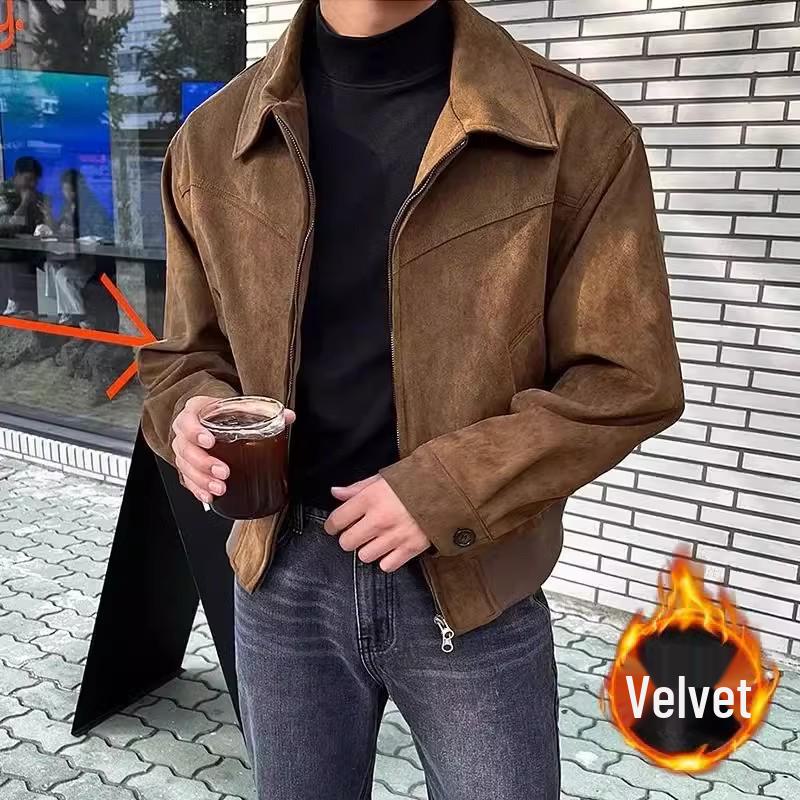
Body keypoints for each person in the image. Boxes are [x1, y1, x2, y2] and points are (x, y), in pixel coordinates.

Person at [137, 1, 685, 798]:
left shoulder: (571, 131)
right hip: (281, 574)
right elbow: (185, 355)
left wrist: (449, 487)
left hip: (471, 581)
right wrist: (188, 413)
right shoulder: (214, 139)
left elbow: (628, 378)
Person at [43, 168, 112, 327]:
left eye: (71, 190)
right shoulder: (67, 207)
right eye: (65, 190)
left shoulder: (91, 206)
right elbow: (59, 229)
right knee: (50, 266)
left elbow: (99, 232)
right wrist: (49, 217)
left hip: (90, 258)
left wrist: (74, 232)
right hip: (70, 255)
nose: (68, 194)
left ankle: (80, 317)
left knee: (63, 276)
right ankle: (64, 313)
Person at [0, 156, 47, 318]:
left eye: (35, 181)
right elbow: (7, 226)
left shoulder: (37, 196)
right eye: (28, 179)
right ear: (17, 175)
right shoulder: (5, 193)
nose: (32, 184)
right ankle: (12, 302)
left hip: (33, 249)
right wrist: (24, 204)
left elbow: (42, 224)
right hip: (9, 252)